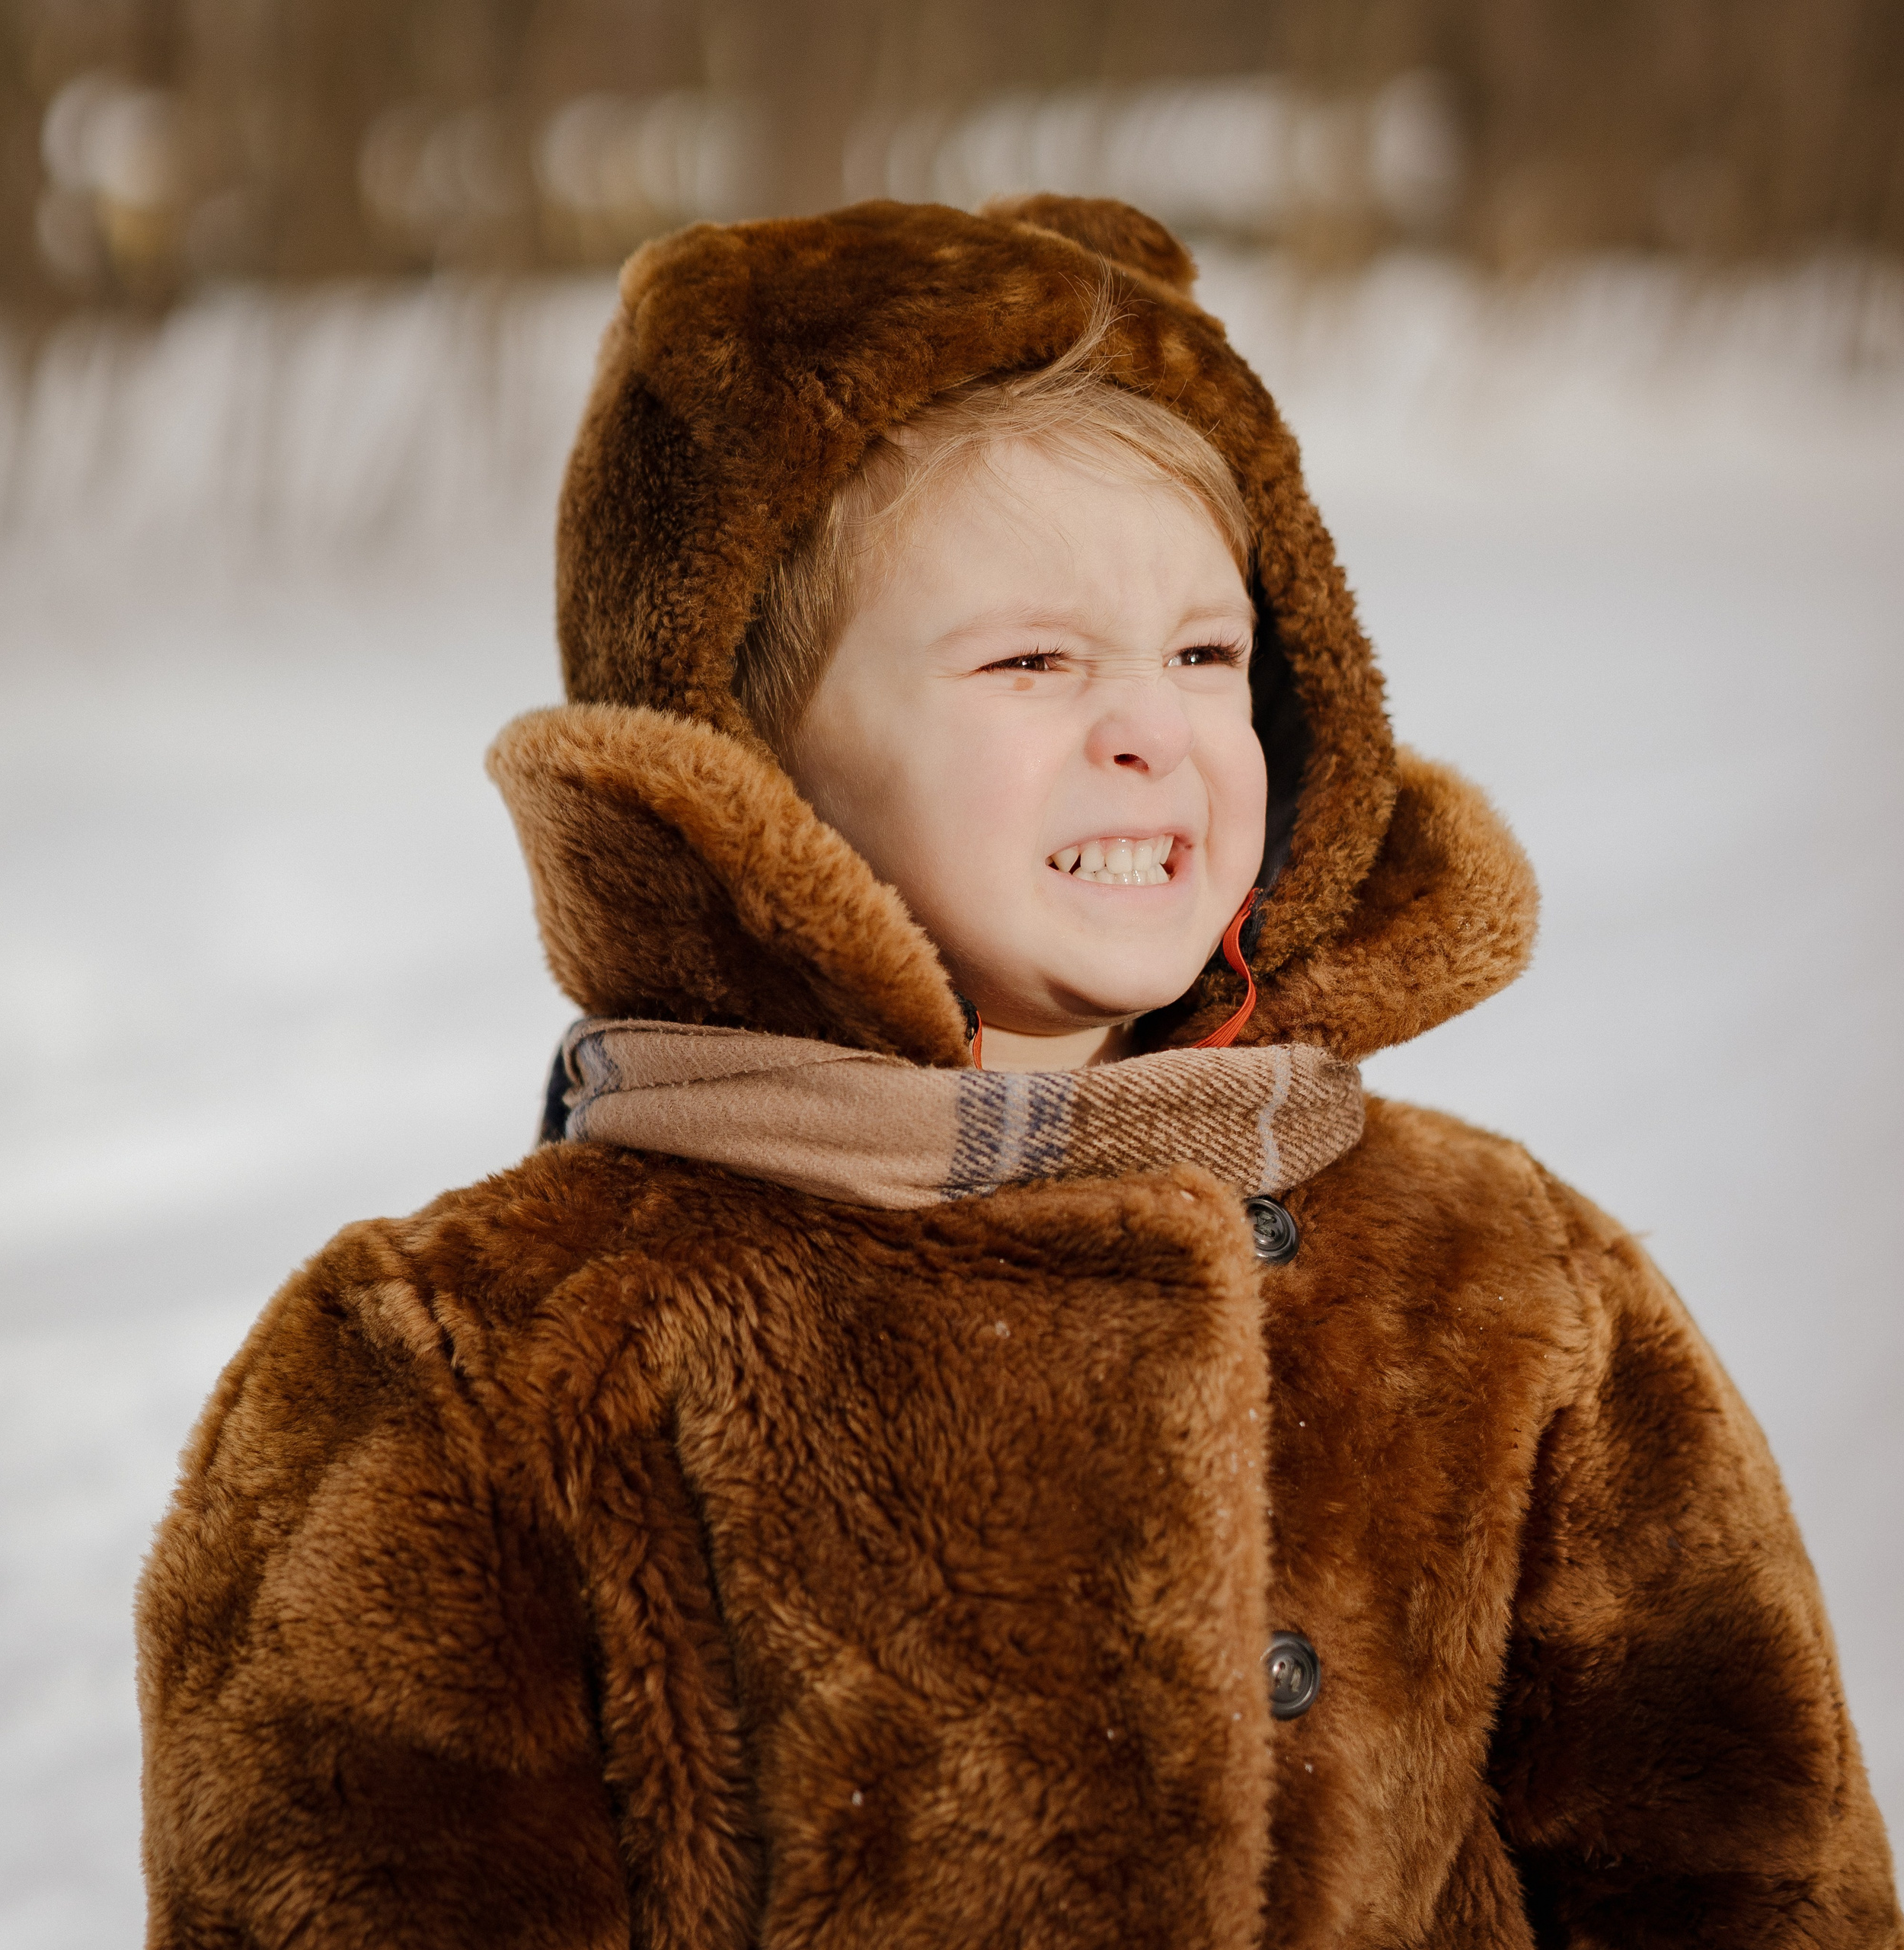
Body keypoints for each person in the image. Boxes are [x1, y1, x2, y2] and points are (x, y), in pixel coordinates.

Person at [136, 196, 1899, 1947]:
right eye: (1031, 660)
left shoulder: (1498, 1286)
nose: (1150, 727)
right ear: (746, 755)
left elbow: (1753, 1872)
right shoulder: (464, 1365)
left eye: (1204, 654)